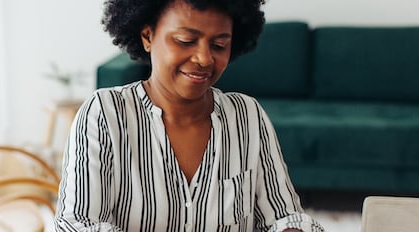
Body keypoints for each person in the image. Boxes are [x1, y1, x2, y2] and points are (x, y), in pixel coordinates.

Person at [55, 0, 324, 231]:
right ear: (148, 36)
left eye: (219, 45)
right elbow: (77, 223)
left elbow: (283, 215)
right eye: (186, 41)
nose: (204, 58)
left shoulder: (247, 116)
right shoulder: (104, 113)